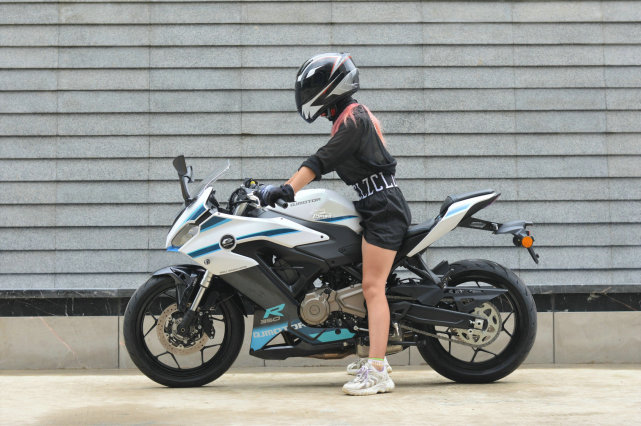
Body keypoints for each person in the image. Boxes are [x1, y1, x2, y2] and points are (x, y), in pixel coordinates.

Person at [257, 53, 411, 396]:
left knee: (372, 287)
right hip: (375, 205)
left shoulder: (353, 120)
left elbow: (321, 160)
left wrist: (286, 190)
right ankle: (374, 354)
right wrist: (281, 188)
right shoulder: (352, 116)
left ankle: (378, 372)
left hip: (383, 209)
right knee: (358, 282)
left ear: (330, 88)